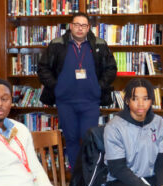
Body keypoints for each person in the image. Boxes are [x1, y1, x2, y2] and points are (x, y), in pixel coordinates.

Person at [37, 12, 117, 172]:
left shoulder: (99, 44)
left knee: (89, 140)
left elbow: (111, 69)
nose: (80, 28)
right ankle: (76, 175)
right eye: (77, 25)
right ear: (71, 26)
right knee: (72, 140)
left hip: (90, 102)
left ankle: (88, 175)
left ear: (88, 28)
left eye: (84, 25)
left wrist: (98, 86)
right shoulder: (57, 44)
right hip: (65, 102)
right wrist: (56, 86)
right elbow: (43, 68)